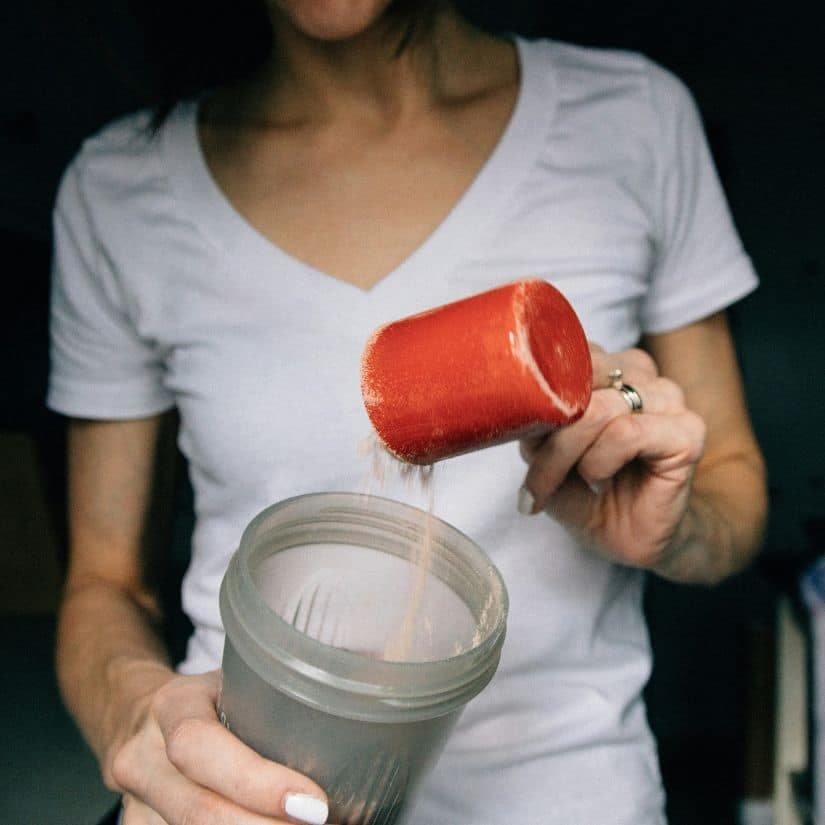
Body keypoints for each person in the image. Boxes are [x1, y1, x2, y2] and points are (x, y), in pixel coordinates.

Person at [48, 1, 768, 823]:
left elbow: (734, 492)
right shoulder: (120, 188)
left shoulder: (633, 118)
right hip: (247, 793)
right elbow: (104, 583)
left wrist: (674, 527)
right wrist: (145, 719)